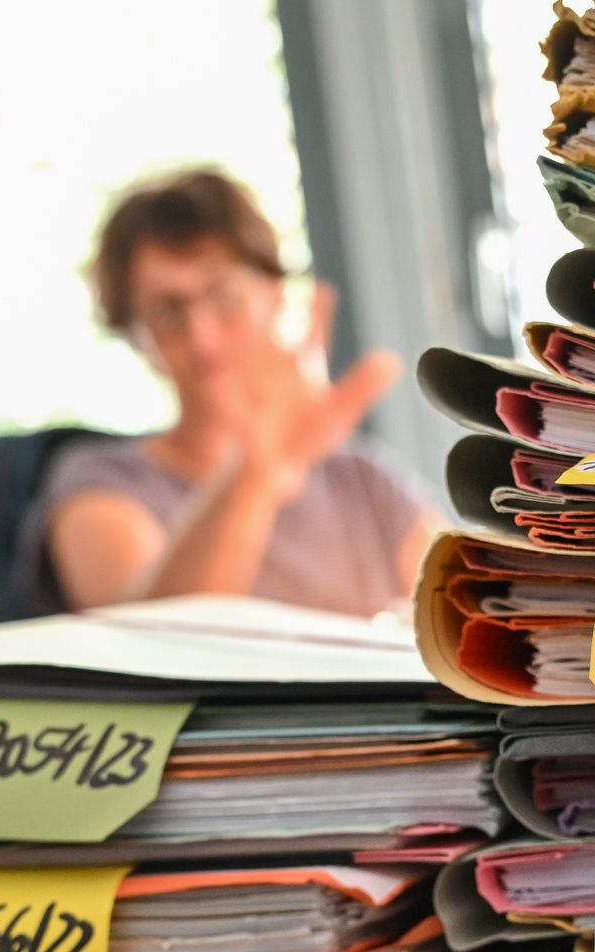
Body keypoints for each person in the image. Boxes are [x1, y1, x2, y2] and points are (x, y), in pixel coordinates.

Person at [29, 168, 441, 617]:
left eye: (224, 294)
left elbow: (470, 618)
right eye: (167, 310)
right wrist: (255, 473)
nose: (202, 336)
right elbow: (148, 643)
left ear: (275, 295)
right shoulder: (100, 482)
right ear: (135, 336)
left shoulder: (364, 482)